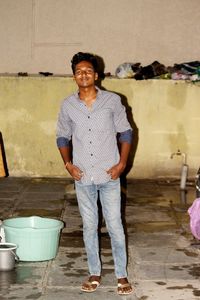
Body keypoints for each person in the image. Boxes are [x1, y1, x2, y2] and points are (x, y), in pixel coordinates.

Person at [56, 52, 133, 295]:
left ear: (96, 74)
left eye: (88, 70)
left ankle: (121, 275)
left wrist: (121, 164)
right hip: (83, 177)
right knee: (89, 227)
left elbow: (126, 133)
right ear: (74, 76)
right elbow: (62, 136)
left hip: (109, 175)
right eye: (79, 71)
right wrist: (68, 164)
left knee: (114, 226)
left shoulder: (112, 101)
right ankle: (94, 272)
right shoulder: (68, 105)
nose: (84, 74)